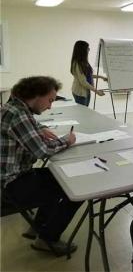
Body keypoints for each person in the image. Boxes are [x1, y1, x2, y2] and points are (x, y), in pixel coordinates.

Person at [0, 76, 82, 255]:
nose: (50, 106)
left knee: (57, 176)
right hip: (11, 184)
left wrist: (40, 128)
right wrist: (67, 140)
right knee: (75, 188)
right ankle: (47, 239)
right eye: (50, 100)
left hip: (11, 176)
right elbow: (42, 151)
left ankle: (37, 226)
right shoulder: (19, 114)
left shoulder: (13, 106)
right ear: (36, 95)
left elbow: (31, 123)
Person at [71, 40, 106, 106]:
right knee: (82, 114)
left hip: (86, 91)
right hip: (80, 93)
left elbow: (88, 75)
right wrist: (97, 91)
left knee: (84, 112)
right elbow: (83, 82)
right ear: (82, 50)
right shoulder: (77, 64)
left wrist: (101, 77)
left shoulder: (83, 62)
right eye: (87, 48)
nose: (89, 49)